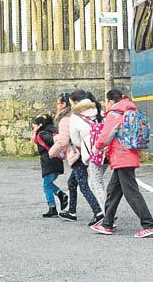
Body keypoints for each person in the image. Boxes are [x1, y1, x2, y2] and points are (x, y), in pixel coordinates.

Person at [90, 89, 153, 238]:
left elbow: (106, 135)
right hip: (129, 155)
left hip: (121, 156)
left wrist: (96, 148)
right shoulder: (130, 109)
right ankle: (106, 223)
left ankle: (148, 224)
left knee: (131, 193)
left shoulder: (115, 113)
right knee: (113, 191)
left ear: (109, 101)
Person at [49, 92, 102, 224]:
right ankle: (72, 211)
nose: (57, 106)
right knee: (72, 183)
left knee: (84, 185)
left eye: (58, 103)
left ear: (64, 104)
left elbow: (64, 141)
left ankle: (99, 212)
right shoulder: (81, 114)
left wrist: (51, 153)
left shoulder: (66, 119)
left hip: (78, 155)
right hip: (83, 153)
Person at [68, 90, 107, 226]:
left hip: (92, 154)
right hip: (106, 152)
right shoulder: (98, 110)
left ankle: (106, 216)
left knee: (95, 184)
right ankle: (106, 213)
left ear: (74, 102)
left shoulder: (75, 117)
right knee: (97, 182)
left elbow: (76, 141)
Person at [32, 114, 68, 218]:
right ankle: (61, 195)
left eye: (34, 125)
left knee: (46, 185)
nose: (33, 128)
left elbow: (51, 141)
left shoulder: (43, 133)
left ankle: (52, 207)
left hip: (50, 161)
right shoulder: (51, 131)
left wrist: (37, 132)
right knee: (48, 183)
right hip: (55, 161)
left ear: (40, 125)